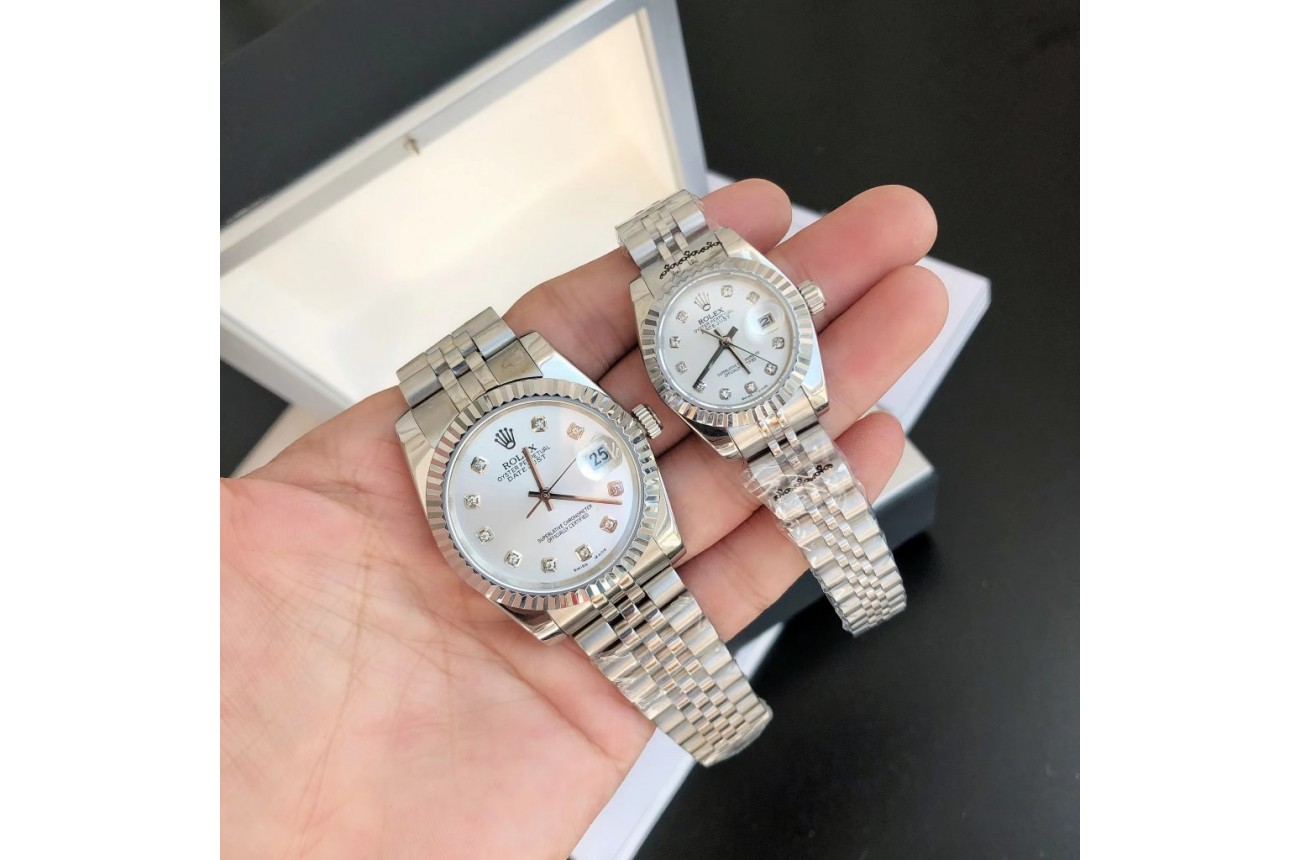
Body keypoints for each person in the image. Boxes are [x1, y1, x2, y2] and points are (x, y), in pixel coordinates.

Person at [221, 180, 947, 857]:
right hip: (578, 574)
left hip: (605, 536)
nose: (541, 494)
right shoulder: (448, 473)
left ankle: (734, 722)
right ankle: (728, 726)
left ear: (632, 426)